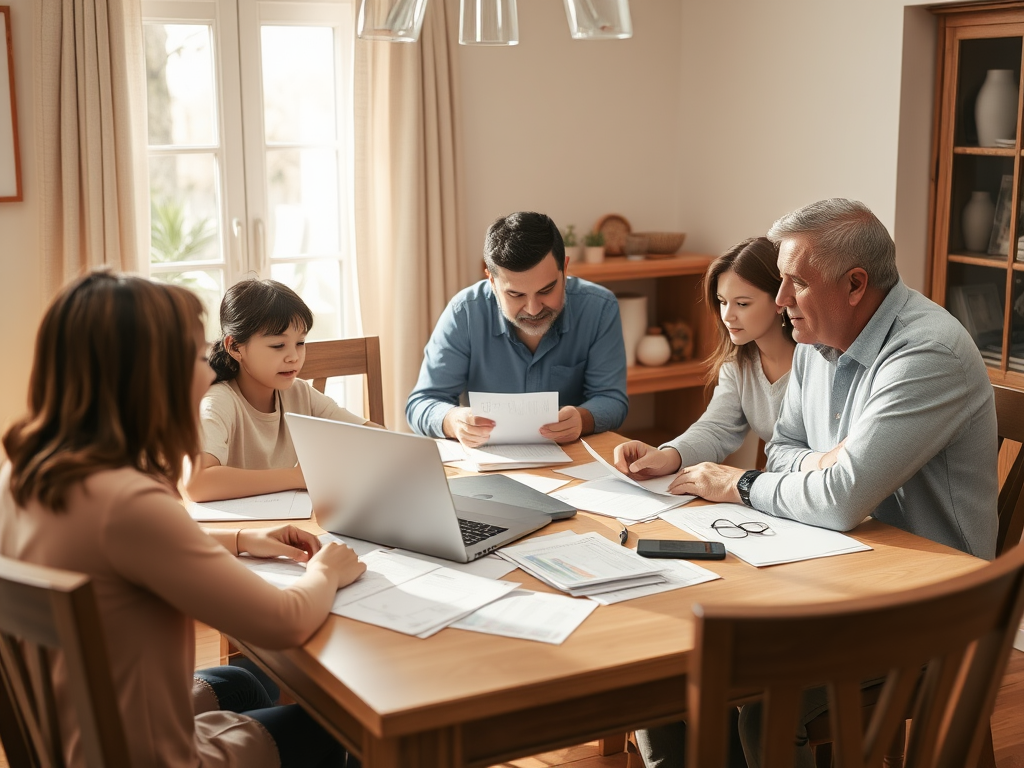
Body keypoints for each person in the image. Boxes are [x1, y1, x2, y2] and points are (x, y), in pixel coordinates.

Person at [669, 198, 998, 768]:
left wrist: (739, 485)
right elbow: (787, 454)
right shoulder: (815, 340)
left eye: (795, 282)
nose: (779, 301)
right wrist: (824, 466)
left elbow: (839, 500)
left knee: (763, 697)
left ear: (854, 285)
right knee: (682, 660)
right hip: (836, 570)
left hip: (930, 609)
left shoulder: (925, 352)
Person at [0, 271, 367, 768]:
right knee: (338, 725)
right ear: (149, 372)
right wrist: (327, 571)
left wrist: (239, 539)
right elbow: (284, 622)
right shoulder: (129, 504)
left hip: (69, 732)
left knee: (241, 681)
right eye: (197, 357)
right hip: (146, 757)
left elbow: (118, 559)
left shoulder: (23, 471)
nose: (205, 371)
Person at [406, 211, 628, 447]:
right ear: (491, 280)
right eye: (516, 294)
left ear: (565, 268)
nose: (533, 309)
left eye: (546, 290)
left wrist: (582, 420)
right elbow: (422, 402)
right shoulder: (465, 312)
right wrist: (454, 420)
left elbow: (612, 400)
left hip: (573, 461)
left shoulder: (598, 308)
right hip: (487, 465)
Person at [612, 237, 796, 494]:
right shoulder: (738, 363)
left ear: (781, 300)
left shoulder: (816, 361)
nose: (728, 315)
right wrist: (667, 456)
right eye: (722, 301)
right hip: (770, 492)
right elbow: (717, 428)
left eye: (742, 303)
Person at [187, 278, 371, 502]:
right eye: (278, 346)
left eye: (300, 343)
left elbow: (374, 436)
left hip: (292, 523)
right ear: (235, 347)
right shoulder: (219, 402)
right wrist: (294, 478)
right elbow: (197, 483)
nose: (294, 356)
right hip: (241, 532)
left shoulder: (299, 392)